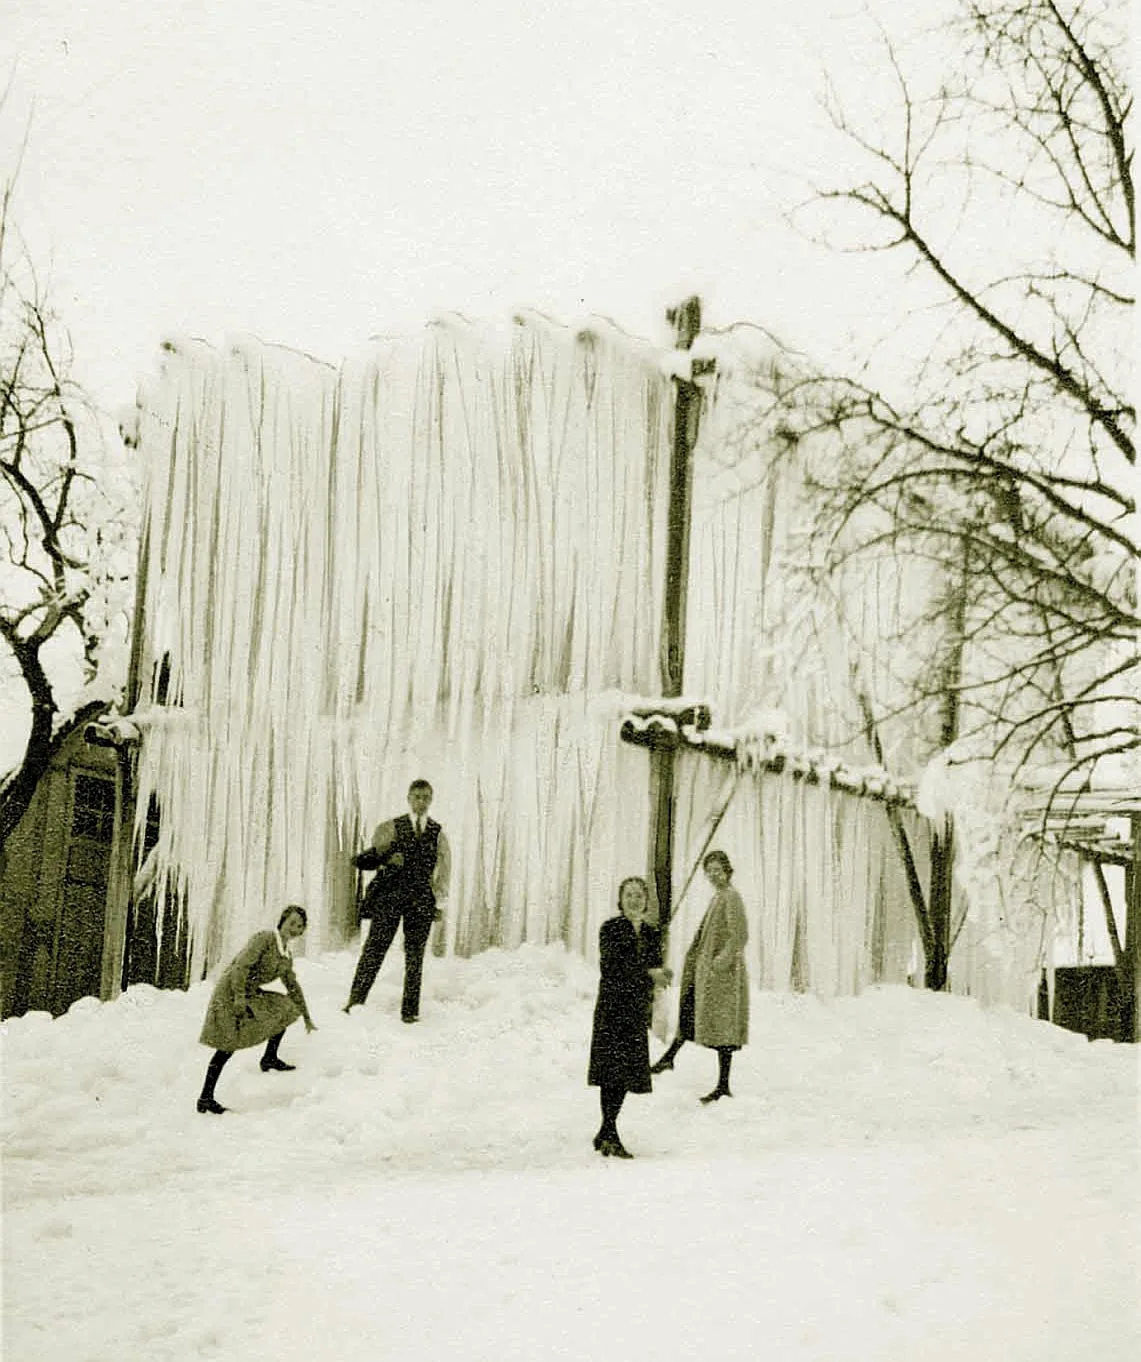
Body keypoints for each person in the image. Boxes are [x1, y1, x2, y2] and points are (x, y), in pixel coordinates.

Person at [343, 779, 451, 1022]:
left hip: (421, 901)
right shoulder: (390, 827)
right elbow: (370, 857)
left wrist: (439, 903)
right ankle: (354, 1002)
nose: (421, 802)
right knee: (374, 950)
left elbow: (444, 871)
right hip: (390, 897)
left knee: (415, 957)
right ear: (409, 799)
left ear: (431, 800)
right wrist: (387, 860)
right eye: (417, 797)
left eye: (425, 797)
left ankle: (410, 1013)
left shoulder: (438, 833)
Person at [196, 905, 317, 1115]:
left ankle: (269, 1058)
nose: (294, 928)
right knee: (227, 1045)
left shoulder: (286, 956)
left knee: (286, 1008)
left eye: (299, 926)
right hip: (231, 991)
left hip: (249, 992)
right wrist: (239, 998)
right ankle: (205, 1097)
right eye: (291, 923)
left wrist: (306, 1016)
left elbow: (292, 986)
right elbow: (241, 967)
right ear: (282, 921)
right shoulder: (265, 939)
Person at [650, 849, 749, 1103]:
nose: (714, 875)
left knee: (723, 1030)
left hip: (722, 977)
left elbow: (739, 936)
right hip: (707, 974)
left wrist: (720, 962)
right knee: (690, 1013)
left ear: (727, 870)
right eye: (710, 871)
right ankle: (669, 1058)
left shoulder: (731, 897)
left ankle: (723, 1085)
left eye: (718, 870)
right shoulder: (720, 896)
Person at [587, 876, 673, 1158]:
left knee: (625, 1074)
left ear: (646, 901)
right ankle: (610, 1133)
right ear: (620, 900)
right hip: (612, 1009)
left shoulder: (652, 933)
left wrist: (661, 976)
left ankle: (605, 1132)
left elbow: (653, 965)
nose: (634, 900)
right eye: (629, 895)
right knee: (611, 1073)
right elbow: (612, 966)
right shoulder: (610, 929)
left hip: (635, 1011)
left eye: (639, 896)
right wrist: (649, 974)